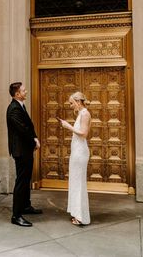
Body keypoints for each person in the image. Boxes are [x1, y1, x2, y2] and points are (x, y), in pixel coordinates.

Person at [6, 82, 42, 227]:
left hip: (25, 149)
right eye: (23, 90)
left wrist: (34, 138)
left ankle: (26, 206)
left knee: (26, 178)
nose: (26, 91)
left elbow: (29, 125)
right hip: (20, 151)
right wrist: (34, 141)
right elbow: (22, 129)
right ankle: (16, 215)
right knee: (21, 181)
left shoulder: (21, 105)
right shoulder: (13, 109)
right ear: (17, 94)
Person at [58, 91, 91, 226]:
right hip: (77, 151)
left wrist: (68, 126)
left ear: (78, 102)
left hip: (80, 152)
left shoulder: (85, 114)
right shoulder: (81, 114)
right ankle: (77, 213)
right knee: (76, 182)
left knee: (79, 183)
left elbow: (83, 134)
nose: (71, 106)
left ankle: (81, 216)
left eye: (72, 103)